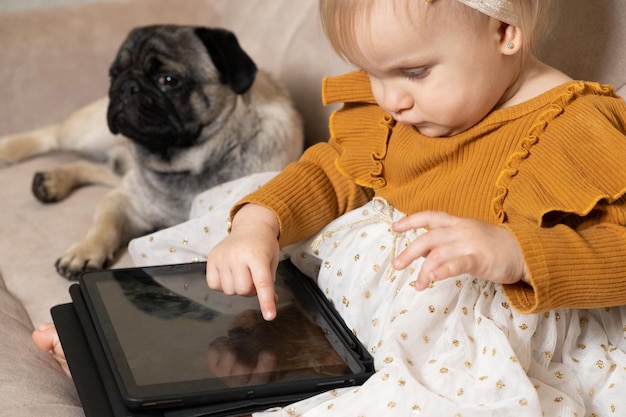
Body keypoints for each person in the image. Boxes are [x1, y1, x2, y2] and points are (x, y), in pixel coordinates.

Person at [35, 0, 626, 415]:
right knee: (233, 278)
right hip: (354, 291)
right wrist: (259, 224)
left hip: (461, 327)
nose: (391, 99)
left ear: (505, 32)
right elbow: (331, 170)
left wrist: (516, 252)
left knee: (406, 398)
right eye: (372, 73)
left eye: (413, 71)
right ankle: (118, 358)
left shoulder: (573, 126)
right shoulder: (404, 109)